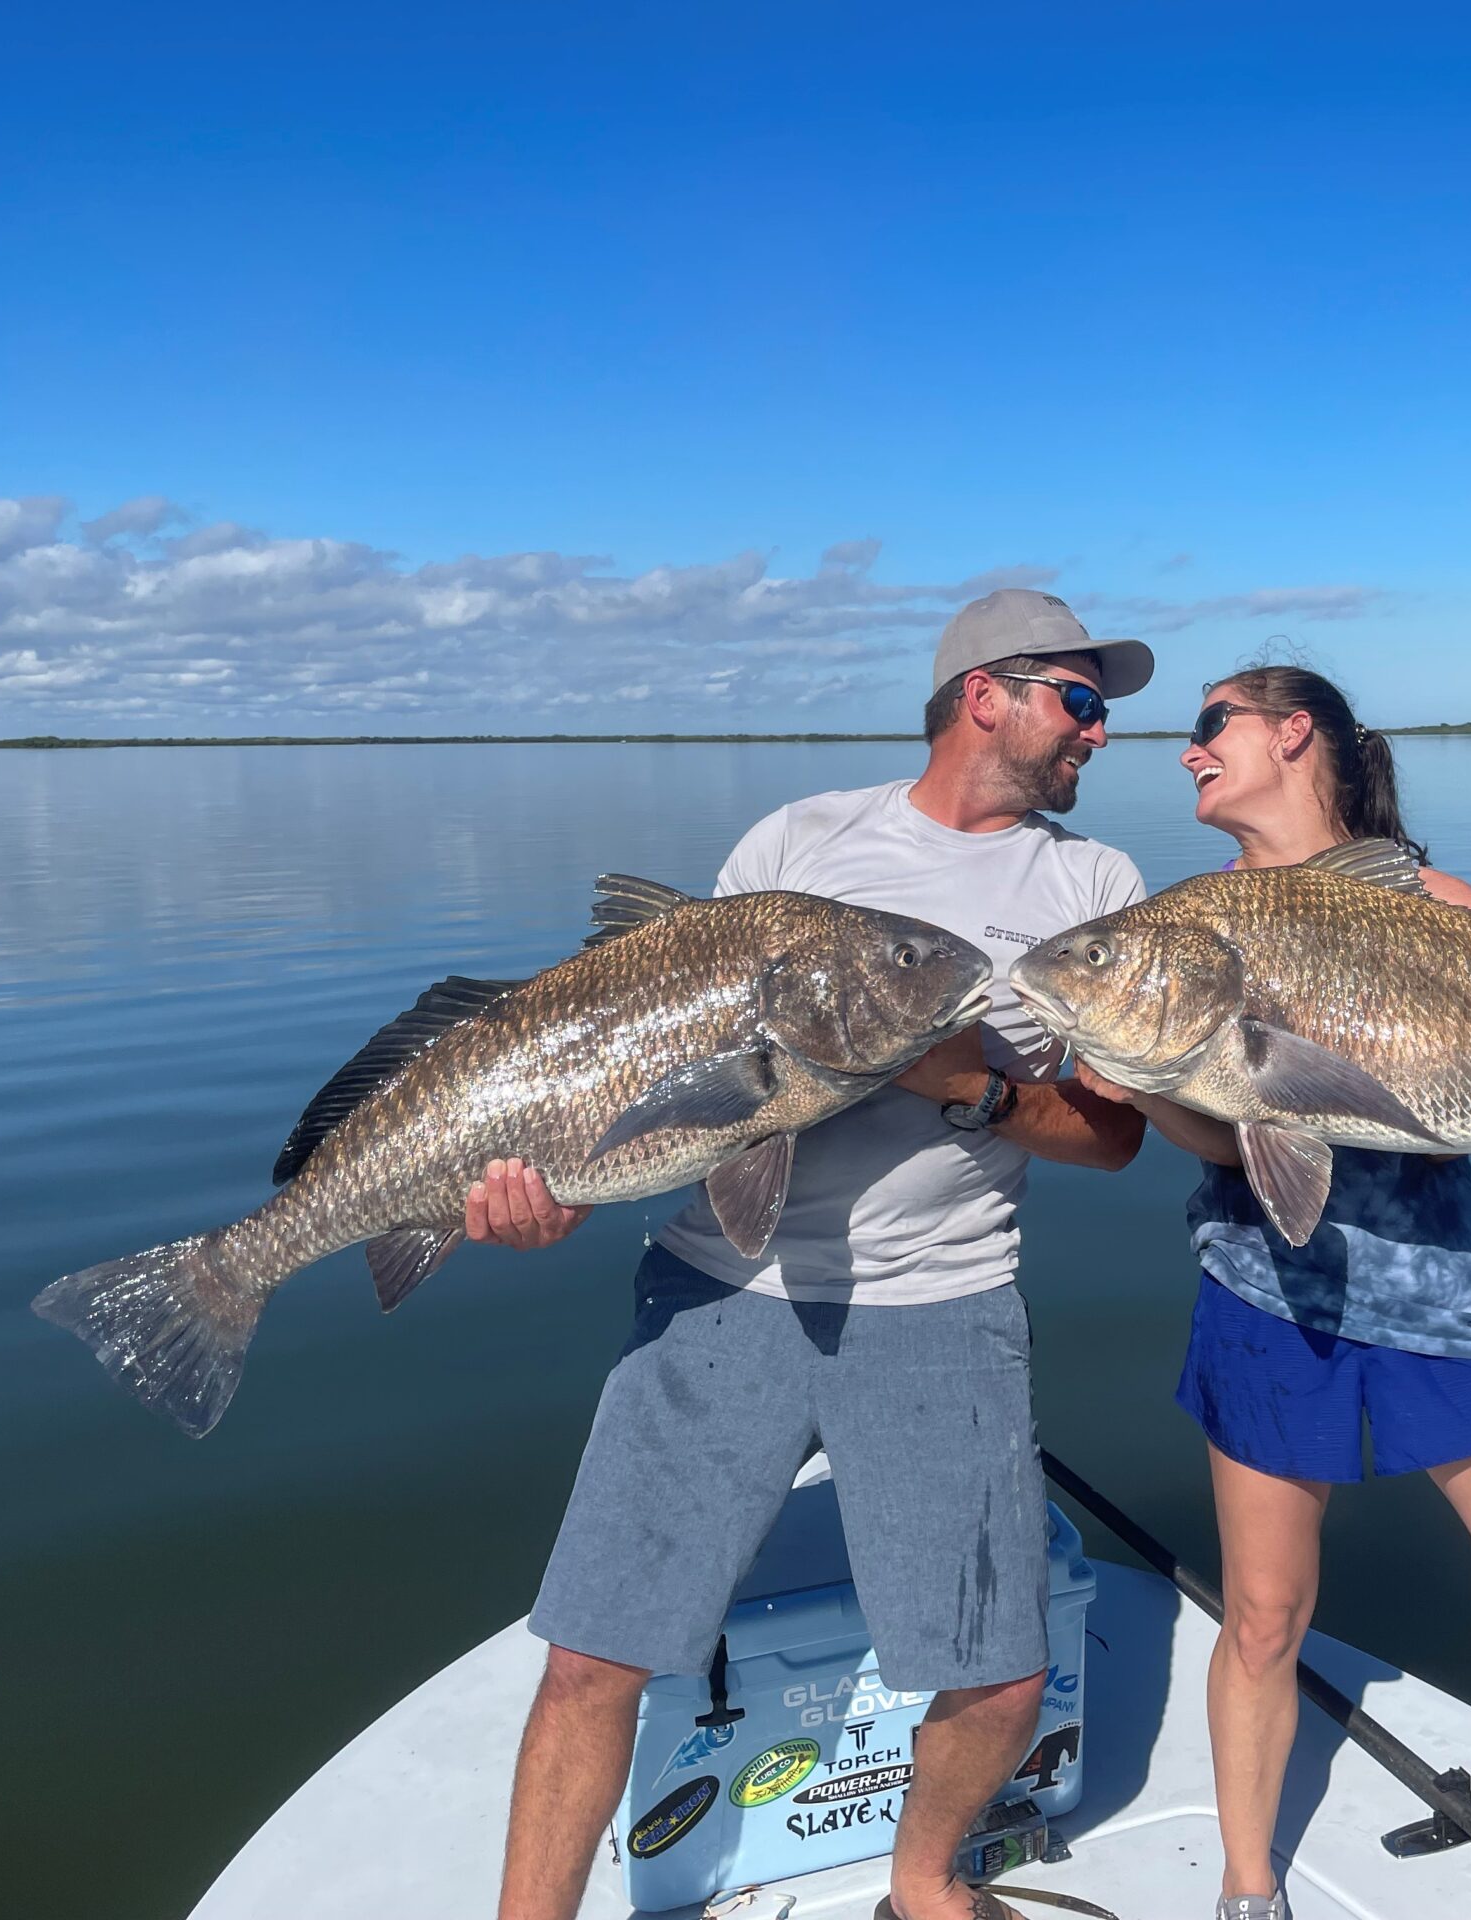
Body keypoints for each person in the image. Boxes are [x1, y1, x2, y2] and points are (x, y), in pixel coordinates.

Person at [471, 588, 1157, 1920]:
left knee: (1004, 1675)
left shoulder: (1092, 888)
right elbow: (677, 1073)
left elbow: (1115, 1142)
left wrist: (968, 1088)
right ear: (986, 694)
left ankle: (926, 1884)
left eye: (1102, 710)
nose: (1100, 734)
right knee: (592, 1660)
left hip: (943, 1299)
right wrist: (548, 1185)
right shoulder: (800, 840)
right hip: (721, 1284)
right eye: (1079, 701)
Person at [1072, 664, 1471, 1920]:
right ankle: (1248, 1887)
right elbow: (1230, 1145)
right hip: (1265, 1295)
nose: (1183, 752)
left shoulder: (1433, 901)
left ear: (1294, 735)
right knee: (1263, 1617)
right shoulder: (1187, 929)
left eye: (1208, 727)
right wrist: (1147, 1084)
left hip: (1445, 1298)